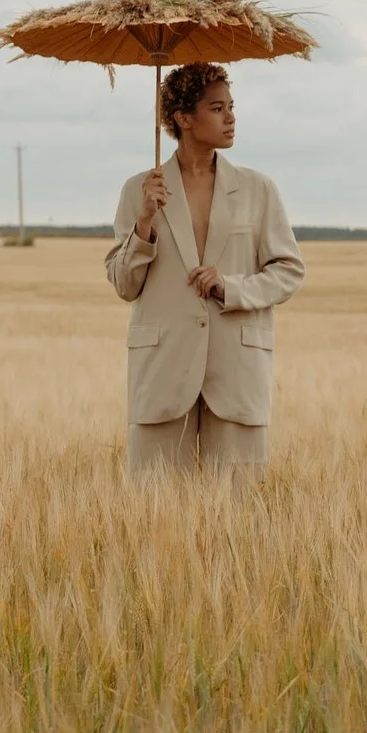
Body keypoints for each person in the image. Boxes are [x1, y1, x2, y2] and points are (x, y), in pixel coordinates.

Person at [104, 62, 304, 475]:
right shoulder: (139, 190)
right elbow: (125, 285)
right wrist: (143, 224)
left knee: (236, 514)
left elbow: (288, 270)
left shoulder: (258, 189)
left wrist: (229, 288)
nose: (231, 118)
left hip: (236, 370)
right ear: (183, 118)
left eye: (231, 106)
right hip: (162, 369)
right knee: (153, 513)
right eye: (217, 108)